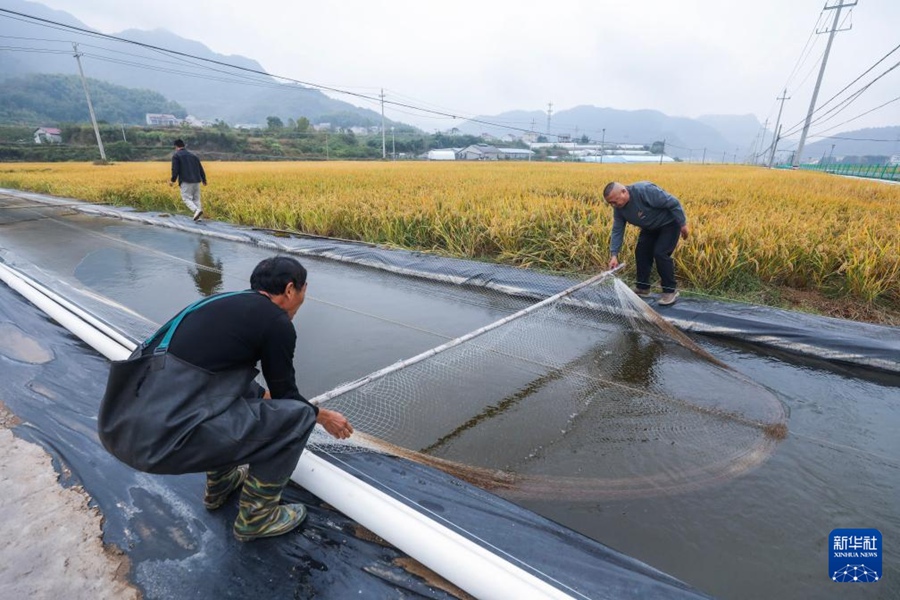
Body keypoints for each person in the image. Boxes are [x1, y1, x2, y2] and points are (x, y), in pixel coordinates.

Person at [99, 256, 353, 542]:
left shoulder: (224, 303)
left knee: (243, 390)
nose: (303, 299)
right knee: (298, 417)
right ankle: (257, 518)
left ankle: (220, 486)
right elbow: (287, 398)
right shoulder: (276, 322)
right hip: (159, 442)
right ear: (291, 289)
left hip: (119, 426)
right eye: (305, 290)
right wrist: (322, 416)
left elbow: (227, 381)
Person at [603, 181, 689, 306]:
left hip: (669, 224)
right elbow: (617, 230)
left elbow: (673, 202)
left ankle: (670, 290)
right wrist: (614, 255)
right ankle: (643, 288)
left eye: (614, 201)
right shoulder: (619, 209)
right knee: (641, 252)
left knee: (660, 253)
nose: (613, 205)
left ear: (623, 192)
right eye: (610, 203)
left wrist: (683, 225)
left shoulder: (644, 191)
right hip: (649, 228)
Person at [170, 139, 207, 221]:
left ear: (176, 146)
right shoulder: (194, 155)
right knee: (196, 199)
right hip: (197, 181)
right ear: (184, 145)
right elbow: (200, 168)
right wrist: (204, 179)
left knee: (186, 198)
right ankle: (198, 217)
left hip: (186, 181)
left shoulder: (176, 156)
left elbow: (175, 170)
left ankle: (196, 211)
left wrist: (173, 180)